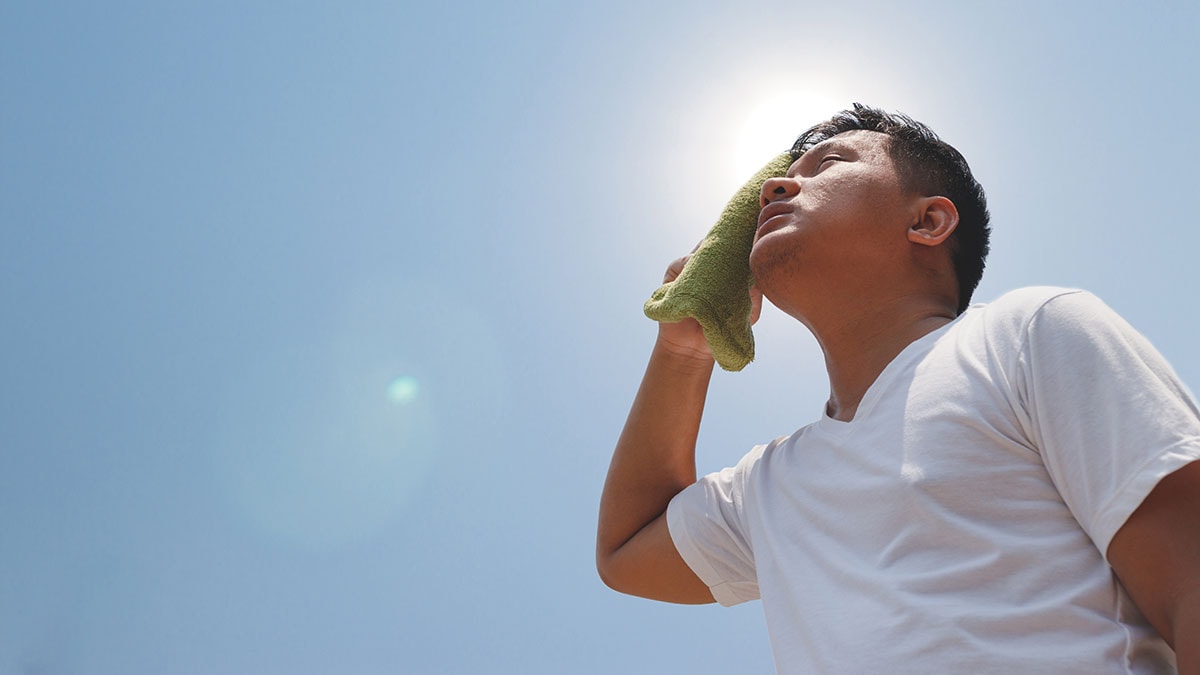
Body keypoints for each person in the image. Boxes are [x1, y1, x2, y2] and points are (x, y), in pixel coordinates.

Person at [596, 103, 1200, 674]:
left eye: (828, 164)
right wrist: (681, 348)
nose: (774, 189)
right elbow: (627, 552)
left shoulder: (1026, 334)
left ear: (928, 220)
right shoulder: (770, 485)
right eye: (778, 180)